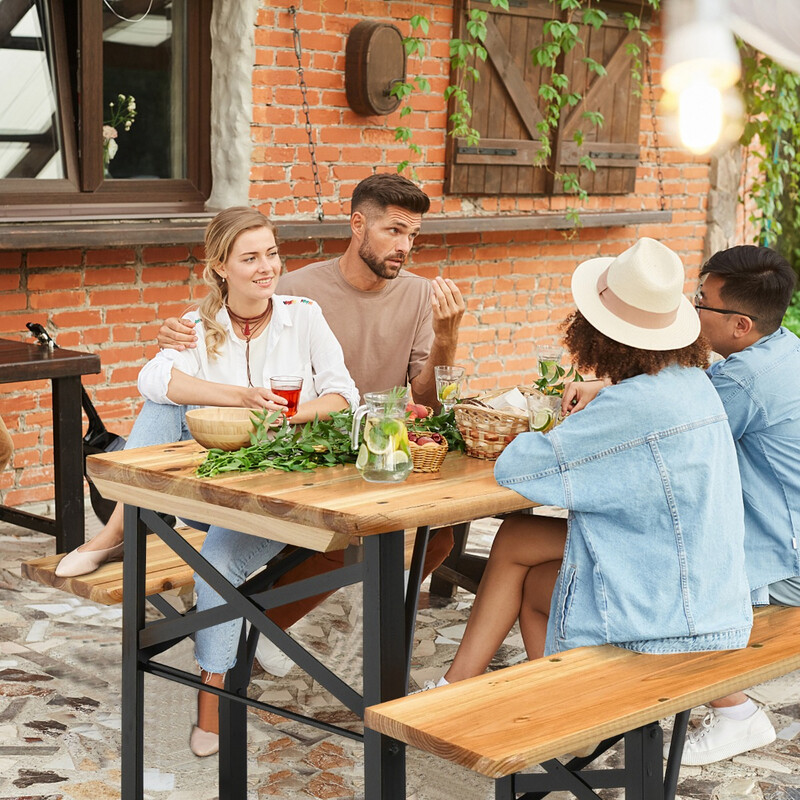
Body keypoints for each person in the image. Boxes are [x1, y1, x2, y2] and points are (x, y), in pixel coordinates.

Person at [56, 207, 359, 757]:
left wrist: (285, 416)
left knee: (214, 569)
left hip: (275, 495)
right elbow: (153, 379)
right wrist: (237, 397)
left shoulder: (303, 315)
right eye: (251, 257)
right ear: (220, 266)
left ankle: (210, 698)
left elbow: (345, 395)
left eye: (271, 253)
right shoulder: (197, 326)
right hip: (209, 490)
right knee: (159, 402)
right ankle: (116, 533)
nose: (267, 267)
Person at [157, 174, 466, 671]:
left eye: (413, 235)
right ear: (357, 224)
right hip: (296, 450)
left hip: (372, 446)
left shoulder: (416, 296)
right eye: (393, 231)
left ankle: (257, 630)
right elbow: (221, 328)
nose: (404, 246)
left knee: (439, 536)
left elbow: (428, 399)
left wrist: (447, 338)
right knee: (342, 538)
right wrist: (177, 330)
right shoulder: (296, 289)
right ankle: (251, 636)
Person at [429, 237, 753, 693]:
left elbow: (517, 470)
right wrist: (605, 392)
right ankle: (460, 684)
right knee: (520, 539)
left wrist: (544, 424)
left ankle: (551, 710)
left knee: (535, 586)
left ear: (599, 333)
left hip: (663, 605)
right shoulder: (691, 383)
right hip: (704, 587)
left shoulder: (631, 405)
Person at [668, 246, 800, 765]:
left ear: (741, 324)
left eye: (701, 301)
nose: (691, 307)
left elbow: (667, 437)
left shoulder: (744, 380)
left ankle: (736, 713)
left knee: (645, 577)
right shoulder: (784, 349)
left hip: (783, 561)